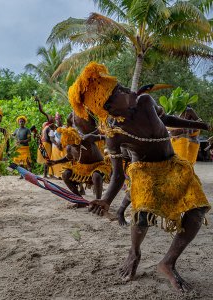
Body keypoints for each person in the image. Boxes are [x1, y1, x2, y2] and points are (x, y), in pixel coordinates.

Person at [70, 62, 211, 293]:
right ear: (109, 107)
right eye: (119, 94)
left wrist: (198, 125)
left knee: (198, 210)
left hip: (173, 164)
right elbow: (116, 175)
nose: (127, 92)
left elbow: (165, 120)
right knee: (143, 212)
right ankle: (134, 253)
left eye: (122, 88)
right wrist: (105, 200)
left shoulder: (145, 102)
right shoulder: (114, 135)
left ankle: (167, 263)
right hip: (144, 171)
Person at [47, 127, 110, 202]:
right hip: (82, 168)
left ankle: (98, 201)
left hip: (98, 166)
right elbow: (68, 158)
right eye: (70, 144)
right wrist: (55, 162)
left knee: (96, 176)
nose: (73, 145)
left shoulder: (88, 138)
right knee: (65, 174)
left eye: (74, 143)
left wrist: (111, 151)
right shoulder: (69, 147)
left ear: (77, 138)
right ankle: (80, 200)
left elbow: (105, 137)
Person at [48, 113, 66, 179]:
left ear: (62, 119)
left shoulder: (65, 127)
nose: (58, 120)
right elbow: (51, 138)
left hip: (64, 147)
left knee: (64, 160)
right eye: (57, 119)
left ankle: (63, 174)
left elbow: (66, 136)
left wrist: (62, 144)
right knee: (56, 160)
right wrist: (57, 144)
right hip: (55, 147)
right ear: (55, 120)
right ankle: (57, 174)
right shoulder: (53, 127)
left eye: (59, 119)